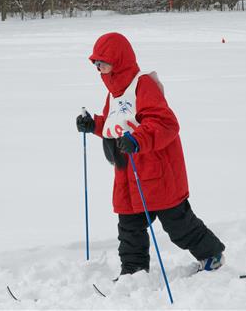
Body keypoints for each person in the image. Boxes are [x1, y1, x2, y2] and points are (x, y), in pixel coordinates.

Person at [76, 32, 225, 277]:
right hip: (127, 173)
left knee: (178, 224)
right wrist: (93, 125)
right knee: (129, 228)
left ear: (119, 59)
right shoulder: (114, 93)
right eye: (95, 63)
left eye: (102, 61)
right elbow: (117, 126)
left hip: (156, 171)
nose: (97, 66)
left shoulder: (143, 84)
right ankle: (134, 273)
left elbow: (165, 123)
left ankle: (212, 255)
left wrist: (138, 139)